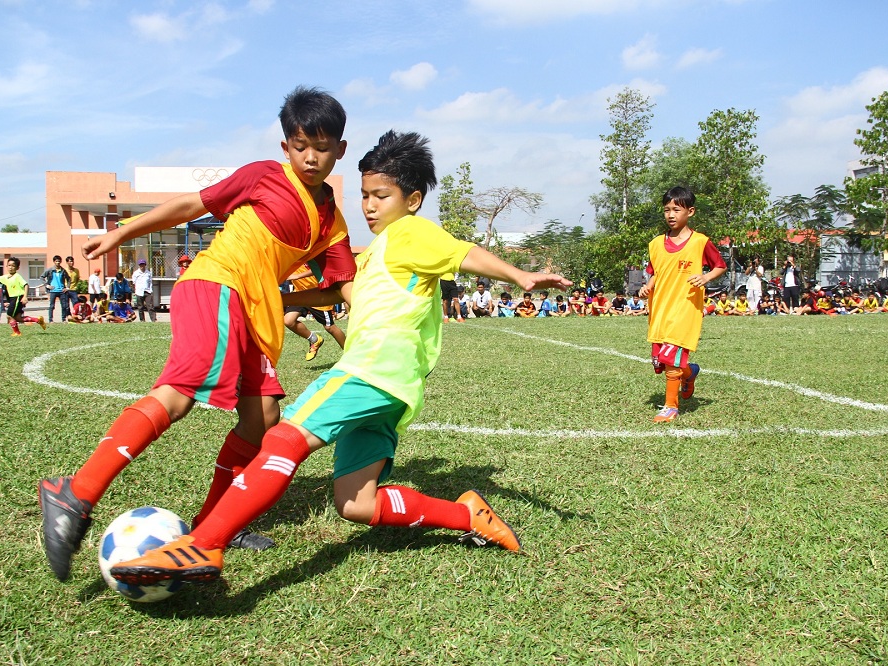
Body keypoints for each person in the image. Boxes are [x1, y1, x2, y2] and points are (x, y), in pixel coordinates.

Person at [108, 130, 573, 587]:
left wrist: (518, 275)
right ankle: (467, 515)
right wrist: (280, 299)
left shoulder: (411, 233)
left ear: (411, 200)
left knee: (283, 438)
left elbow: (461, 251)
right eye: (366, 194)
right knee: (357, 505)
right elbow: (341, 289)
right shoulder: (378, 254)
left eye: (382, 196)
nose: (369, 206)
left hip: (368, 371)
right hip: (397, 391)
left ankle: (205, 543)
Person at [38, 85, 357, 582]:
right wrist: (124, 231)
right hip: (216, 285)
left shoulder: (331, 221)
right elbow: (192, 204)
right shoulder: (263, 176)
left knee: (262, 417)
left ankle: (213, 527)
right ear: (285, 148)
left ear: (340, 148)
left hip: (257, 311)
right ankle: (75, 492)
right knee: (179, 395)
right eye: (300, 145)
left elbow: (341, 289)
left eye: (321, 146)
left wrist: (379, 319)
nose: (310, 157)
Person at [638, 186, 726, 424]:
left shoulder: (700, 242)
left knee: (670, 360)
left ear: (691, 211)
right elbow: (657, 272)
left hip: (686, 308)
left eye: (676, 209)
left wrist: (706, 278)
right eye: (667, 210)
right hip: (660, 310)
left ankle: (670, 407)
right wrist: (649, 286)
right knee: (660, 363)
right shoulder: (655, 243)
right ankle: (690, 373)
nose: (670, 214)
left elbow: (720, 265)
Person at [0, 257, 46, 336]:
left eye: (13, 266)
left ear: (17, 268)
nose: (10, 267)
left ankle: (17, 332)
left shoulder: (17, 276)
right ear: (6, 266)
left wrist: (25, 297)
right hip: (12, 298)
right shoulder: (5, 277)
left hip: (18, 297)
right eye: (9, 265)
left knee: (9, 315)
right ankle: (38, 320)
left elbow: (26, 285)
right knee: (18, 318)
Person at [284, 271, 346, 360]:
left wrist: (298, 276)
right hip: (299, 292)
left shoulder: (308, 257)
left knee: (330, 327)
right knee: (288, 321)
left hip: (317, 294)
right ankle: (314, 340)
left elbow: (319, 267)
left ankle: (349, 353)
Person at [42, 255, 71, 322]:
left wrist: (67, 287)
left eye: (59, 261)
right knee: (52, 306)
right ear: (54, 262)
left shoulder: (63, 270)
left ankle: (63, 319)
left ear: (60, 262)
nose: (57, 262)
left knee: (64, 306)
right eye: (56, 261)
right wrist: (47, 285)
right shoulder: (50, 270)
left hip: (62, 290)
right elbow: (42, 277)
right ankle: (50, 320)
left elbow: (68, 279)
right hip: (53, 291)